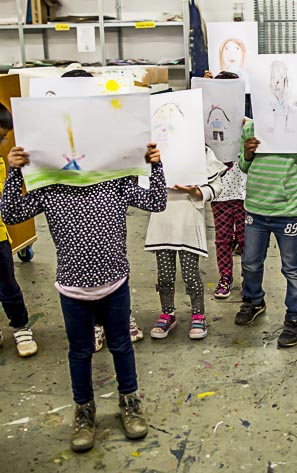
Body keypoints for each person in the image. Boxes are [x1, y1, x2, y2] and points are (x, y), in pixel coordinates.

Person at [1, 142, 166, 453]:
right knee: (79, 352)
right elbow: (11, 213)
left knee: (121, 346)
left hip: (114, 284)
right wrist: (14, 171)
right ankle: (84, 410)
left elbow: (157, 201)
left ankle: (129, 401)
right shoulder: (50, 187)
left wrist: (155, 165)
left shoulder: (116, 181)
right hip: (72, 290)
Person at [59, 68, 145, 348]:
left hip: (107, 193)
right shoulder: (58, 127)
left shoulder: (105, 119)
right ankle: (96, 322)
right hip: (71, 195)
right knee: (81, 254)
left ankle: (122, 316)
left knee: (112, 251)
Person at [234, 116, 297, 348]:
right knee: (250, 262)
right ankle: (254, 300)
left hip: (287, 211)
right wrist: (247, 154)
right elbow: (243, 165)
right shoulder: (251, 127)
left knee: (293, 267)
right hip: (255, 209)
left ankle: (296, 316)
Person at [146, 146, 225, 339]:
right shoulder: (156, 150)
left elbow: (216, 185)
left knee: (191, 274)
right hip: (162, 219)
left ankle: (198, 314)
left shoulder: (200, 149)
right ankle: (167, 313)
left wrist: (199, 192)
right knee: (164, 274)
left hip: (188, 220)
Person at [203, 70, 249, 300]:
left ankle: (248, 279)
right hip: (219, 189)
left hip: (243, 191)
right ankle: (225, 277)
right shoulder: (207, 119)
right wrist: (204, 88)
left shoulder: (245, 121)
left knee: (245, 238)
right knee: (222, 238)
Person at [0, 103, 37, 357]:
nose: (2, 143)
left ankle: (21, 326)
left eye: (3, 138)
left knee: (8, 285)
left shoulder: (0, 164)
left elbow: (5, 203)